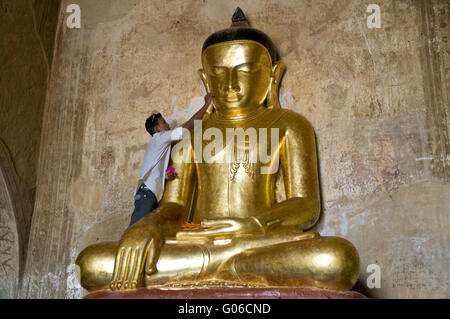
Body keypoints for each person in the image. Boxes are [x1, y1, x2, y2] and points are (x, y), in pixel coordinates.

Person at [129, 93, 213, 226]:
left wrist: (168, 173)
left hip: (153, 195)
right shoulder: (159, 138)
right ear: (157, 129)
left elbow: (169, 161)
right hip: (146, 193)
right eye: (163, 123)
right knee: (135, 230)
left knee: (147, 231)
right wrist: (207, 104)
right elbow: (188, 126)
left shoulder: (164, 145)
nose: (167, 125)